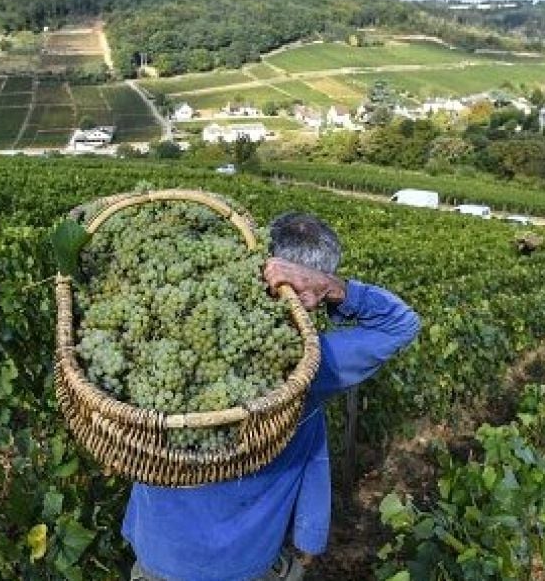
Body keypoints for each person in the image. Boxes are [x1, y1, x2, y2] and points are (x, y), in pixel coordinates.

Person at [123, 212, 421, 581]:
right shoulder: (307, 369)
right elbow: (401, 323)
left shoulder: (161, 338)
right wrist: (334, 287)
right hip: (244, 564)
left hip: (158, 554)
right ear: (308, 291)